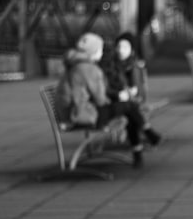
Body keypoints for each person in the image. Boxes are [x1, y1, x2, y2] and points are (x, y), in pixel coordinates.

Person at [57, 32, 161, 168]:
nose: (102, 52)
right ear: (93, 52)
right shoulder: (89, 69)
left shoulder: (77, 65)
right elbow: (100, 100)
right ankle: (146, 136)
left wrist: (116, 99)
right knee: (129, 108)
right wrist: (117, 99)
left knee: (129, 110)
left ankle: (142, 147)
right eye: (100, 49)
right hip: (84, 115)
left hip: (76, 111)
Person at [101, 31, 152, 123]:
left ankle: (144, 130)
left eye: (125, 47)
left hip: (133, 102)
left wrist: (134, 93)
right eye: (119, 46)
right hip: (116, 102)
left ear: (132, 49)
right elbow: (105, 88)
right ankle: (147, 130)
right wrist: (118, 94)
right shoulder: (110, 67)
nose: (121, 50)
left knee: (134, 112)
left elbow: (142, 92)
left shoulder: (136, 67)